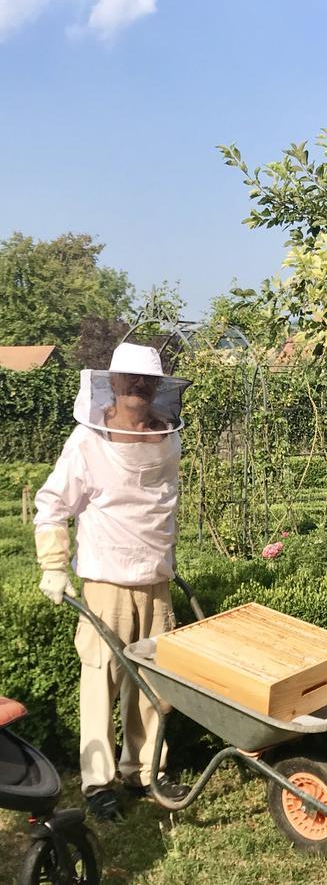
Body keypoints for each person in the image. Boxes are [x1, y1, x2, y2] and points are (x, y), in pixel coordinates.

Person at [34, 343, 192, 821]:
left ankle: (145, 770)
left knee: (153, 683)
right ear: (113, 384)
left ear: (158, 387)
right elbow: (52, 504)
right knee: (100, 682)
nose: (139, 387)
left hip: (156, 581)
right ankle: (98, 783)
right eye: (130, 380)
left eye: (148, 381)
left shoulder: (168, 437)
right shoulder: (87, 442)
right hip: (105, 582)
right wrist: (53, 565)